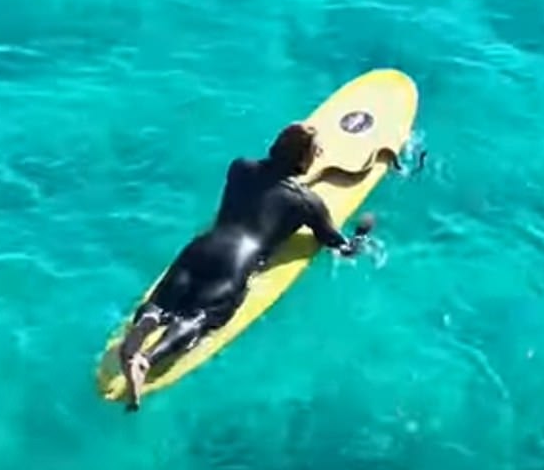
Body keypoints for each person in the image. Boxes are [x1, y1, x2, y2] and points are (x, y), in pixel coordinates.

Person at [119, 122, 375, 410]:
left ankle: (147, 321)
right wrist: (363, 232)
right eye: (315, 152)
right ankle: (147, 359)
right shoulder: (305, 202)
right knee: (201, 316)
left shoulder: (240, 168)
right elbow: (338, 245)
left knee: (163, 300)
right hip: (235, 262)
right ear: (304, 159)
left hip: (201, 247)